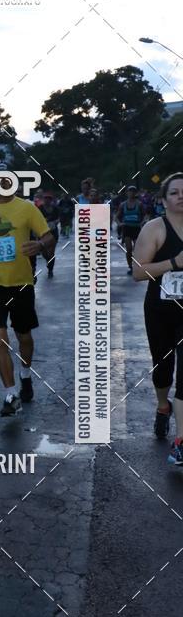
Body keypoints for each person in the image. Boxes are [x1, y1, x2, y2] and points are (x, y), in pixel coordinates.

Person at [0, 177, 55, 416]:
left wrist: (39, 245)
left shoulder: (27, 208)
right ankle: (10, 394)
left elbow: (49, 236)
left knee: (24, 336)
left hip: (21, 283)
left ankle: (25, 374)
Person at [133, 173, 183, 463]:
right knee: (163, 368)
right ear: (163, 200)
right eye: (174, 192)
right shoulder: (154, 228)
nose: (181, 196)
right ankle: (162, 405)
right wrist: (175, 263)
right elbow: (139, 272)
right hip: (161, 310)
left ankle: (180, 442)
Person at [117, 185, 145, 275]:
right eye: (130, 191)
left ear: (135, 193)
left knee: (137, 249)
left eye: (133, 191)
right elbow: (117, 217)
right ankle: (130, 266)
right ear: (127, 193)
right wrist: (120, 224)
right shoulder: (123, 205)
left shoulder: (139, 204)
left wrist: (143, 222)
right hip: (127, 228)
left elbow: (145, 215)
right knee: (129, 248)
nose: (131, 193)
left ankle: (137, 265)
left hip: (136, 228)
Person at [39, 193, 60, 278]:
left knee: (51, 252)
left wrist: (55, 222)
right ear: (43, 200)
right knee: (44, 252)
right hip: (42, 232)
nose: (47, 200)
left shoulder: (55, 208)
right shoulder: (39, 208)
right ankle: (48, 261)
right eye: (45, 199)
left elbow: (59, 218)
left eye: (49, 199)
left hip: (53, 232)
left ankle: (50, 269)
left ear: (51, 200)